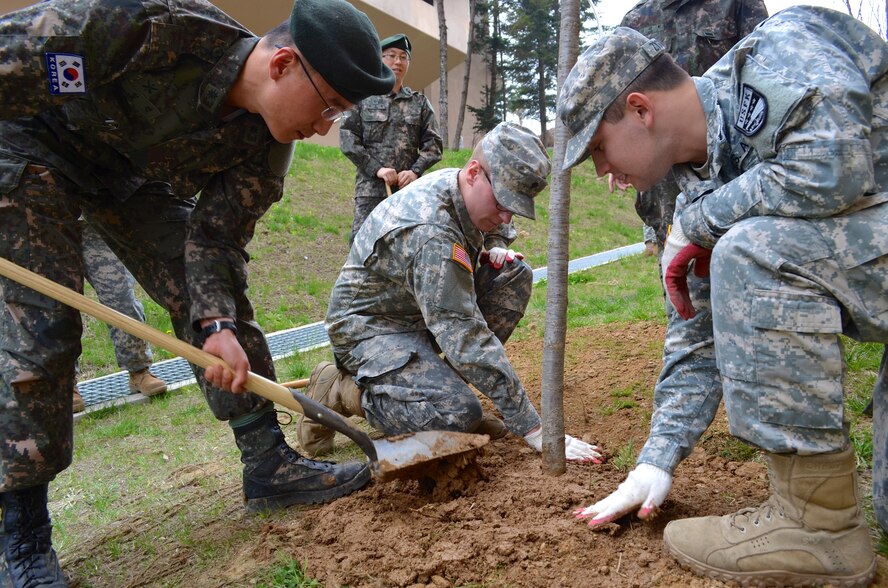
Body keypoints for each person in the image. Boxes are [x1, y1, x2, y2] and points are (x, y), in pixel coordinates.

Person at [0, 0, 395, 585]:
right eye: (329, 105)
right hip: (31, 145)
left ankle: (267, 465)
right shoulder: (150, 27)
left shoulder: (267, 144)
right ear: (283, 63)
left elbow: (215, 240)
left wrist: (216, 327)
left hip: (127, 176)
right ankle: (22, 538)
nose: (323, 127)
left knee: (218, 301)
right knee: (42, 330)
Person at [557, 7, 887, 586]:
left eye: (600, 150)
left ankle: (816, 527)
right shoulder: (696, 192)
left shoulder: (778, 53)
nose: (605, 173)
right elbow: (696, 333)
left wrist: (707, 224)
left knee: (751, 248)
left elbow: (832, 166)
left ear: (640, 109)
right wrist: (655, 461)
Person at [295, 121, 601, 465]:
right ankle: (338, 388)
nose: (504, 216)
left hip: (416, 312)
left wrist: (495, 244)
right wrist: (531, 427)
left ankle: (440, 393)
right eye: (502, 201)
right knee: (453, 416)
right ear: (473, 173)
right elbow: (464, 334)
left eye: (513, 208)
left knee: (512, 275)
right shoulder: (431, 234)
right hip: (370, 327)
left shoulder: (466, 187)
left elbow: (499, 225)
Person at [617, 0, 768, 264]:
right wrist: (619, 153)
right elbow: (621, 98)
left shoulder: (734, 3)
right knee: (676, 265)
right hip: (664, 177)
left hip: (728, 164)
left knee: (740, 257)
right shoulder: (636, 19)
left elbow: (761, 70)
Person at [339, 33, 443, 243]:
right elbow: (348, 138)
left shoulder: (420, 103)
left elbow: (434, 146)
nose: (397, 62)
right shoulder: (363, 98)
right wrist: (376, 169)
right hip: (370, 191)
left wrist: (414, 172)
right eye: (391, 55)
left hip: (407, 192)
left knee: (405, 246)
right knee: (363, 245)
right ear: (380, 59)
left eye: (403, 57)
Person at [73, 220, 168, 413]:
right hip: (43, 220)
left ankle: (139, 371)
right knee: (57, 307)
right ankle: (65, 384)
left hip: (90, 216)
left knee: (121, 297)